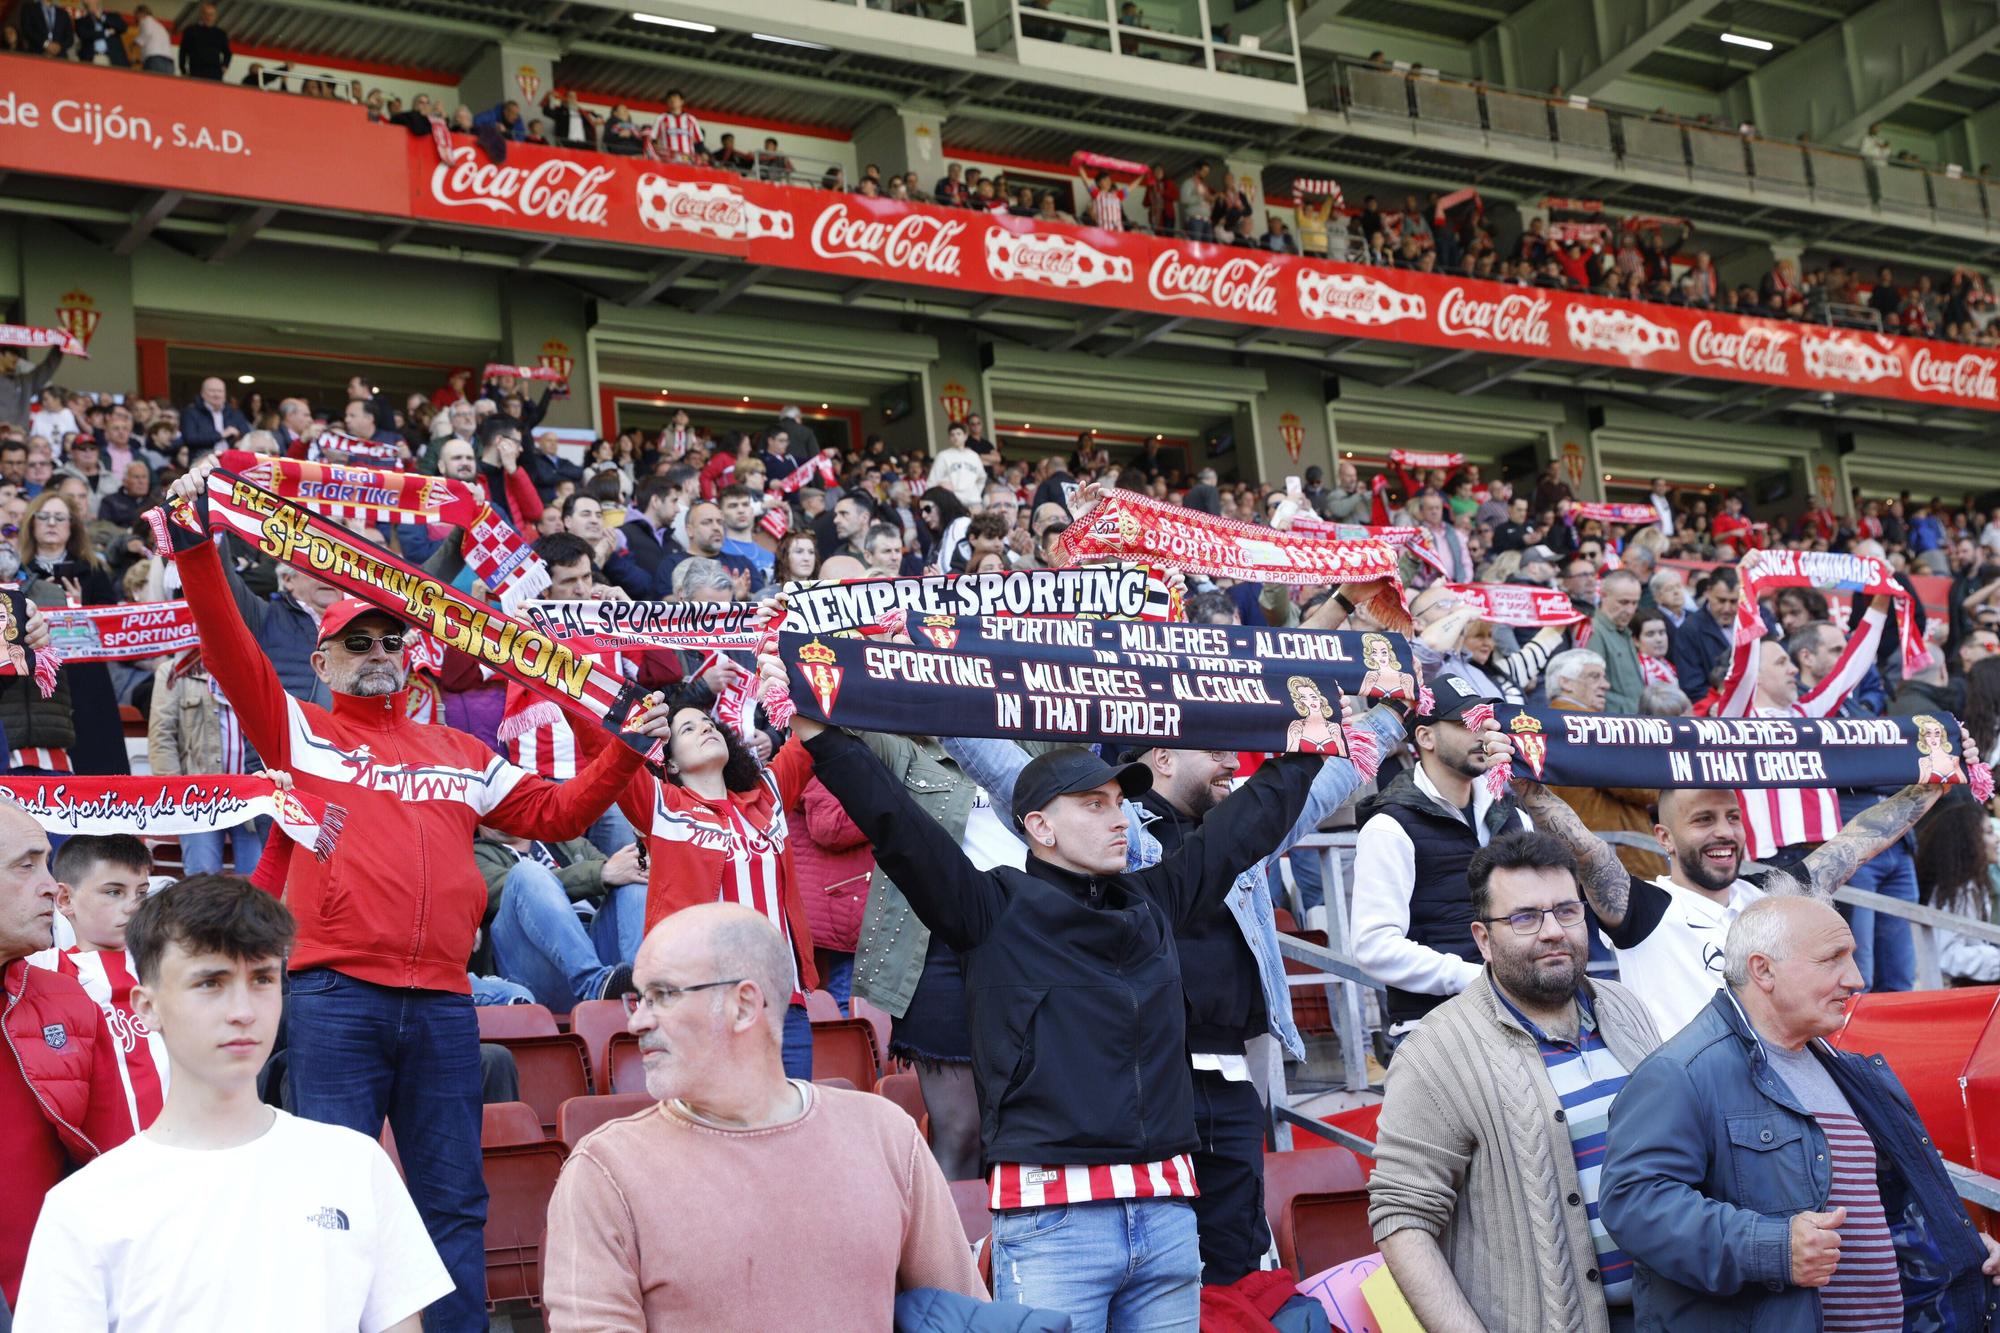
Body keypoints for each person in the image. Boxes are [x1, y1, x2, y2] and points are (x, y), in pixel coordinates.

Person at [167, 455, 664, 1332]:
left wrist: (619, 748)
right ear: (321, 658)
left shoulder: (461, 754)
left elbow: (557, 812)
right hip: (334, 1000)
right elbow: (227, 643)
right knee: (334, 1210)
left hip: (440, 1003)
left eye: (393, 640)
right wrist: (195, 548)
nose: (379, 654)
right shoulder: (303, 732)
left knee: (453, 1205)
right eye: (359, 642)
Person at [789, 657, 1335, 1327]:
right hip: (1053, 1225)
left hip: (1166, 1216)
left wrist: (1304, 754)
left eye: (1118, 801)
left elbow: (1238, 832)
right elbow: (899, 827)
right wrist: (823, 739)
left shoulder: (1154, 898)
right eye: (1093, 803)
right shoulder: (986, 909)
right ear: (1039, 826)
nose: (1117, 818)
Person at [14, 876, 453, 1331]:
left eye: (262, 979)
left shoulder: (357, 1164)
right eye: (210, 983)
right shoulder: (85, 1207)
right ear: (146, 1008)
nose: (243, 1010)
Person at [543, 904, 982, 1328]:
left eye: (662, 995)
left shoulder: (885, 1134)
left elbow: (964, 1317)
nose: (637, 1022)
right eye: (637, 999)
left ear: (744, 1005)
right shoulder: (605, 1172)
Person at [1600, 897, 2000, 1331]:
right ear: (1763, 970)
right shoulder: (1681, 1072)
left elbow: (1881, 1210)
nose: (1857, 979)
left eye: (1852, 958)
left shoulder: (1845, 1068)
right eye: (1832, 960)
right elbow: (1634, 1204)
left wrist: (1955, 1246)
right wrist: (1771, 1247)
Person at [1370, 832, 1660, 1333]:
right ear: (1483, 939)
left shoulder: (1624, 1008)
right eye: (1525, 918)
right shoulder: (1435, 1052)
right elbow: (1402, 1219)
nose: (1553, 931)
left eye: (1567, 911)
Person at [1517, 778, 1944, 1039]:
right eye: (1703, 820)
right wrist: (1522, 782)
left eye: (1733, 817)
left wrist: (1934, 783)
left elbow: (1856, 844)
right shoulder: (1644, 906)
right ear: (1665, 838)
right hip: (1692, 1111)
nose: (1724, 832)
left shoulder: (1773, 895)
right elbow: (1586, 848)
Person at [0, 796, 136, 1308]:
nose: (51, 887)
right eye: (26, 865)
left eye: (48, 864)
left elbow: (119, 1167)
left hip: (47, 1303)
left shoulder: (70, 1001)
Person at [1352, 674, 1527, 1043]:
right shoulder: (1389, 824)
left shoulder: (1513, 814)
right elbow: (1374, 946)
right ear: (1426, 737)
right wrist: (1475, 979)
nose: (1483, 734)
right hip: (1433, 1029)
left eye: (1485, 721)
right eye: (1466, 723)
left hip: (1519, 1015)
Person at [25, 835, 167, 1131]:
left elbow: (238, 924)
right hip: (97, 1164)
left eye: (141, 893)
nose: (132, 906)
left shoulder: (165, 961)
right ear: (64, 899)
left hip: (181, 1155)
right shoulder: (46, 968)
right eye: (114, 892)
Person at [1670, 567, 1738, 699]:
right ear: (1708, 593)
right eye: (1721, 600)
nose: (1727, 609)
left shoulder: (1751, 624)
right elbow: (1692, 686)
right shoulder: (1690, 631)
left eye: (1734, 601)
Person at [1585, 569, 1644, 712]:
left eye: (1634, 603)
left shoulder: (1624, 631)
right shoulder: (1594, 631)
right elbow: (1592, 688)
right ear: (1604, 596)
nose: (1630, 610)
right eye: (1623, 602)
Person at [176, 2, 230, 79]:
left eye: (211, 14)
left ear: (215, 16)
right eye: (206, 14)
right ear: (201, 14)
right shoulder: (191, 31)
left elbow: (227, 52)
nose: (208, 17)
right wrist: (183, 70)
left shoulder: (220, 33)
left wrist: (225, 66)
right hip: (195, 70)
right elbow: (183, 51)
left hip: (215, 72)